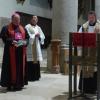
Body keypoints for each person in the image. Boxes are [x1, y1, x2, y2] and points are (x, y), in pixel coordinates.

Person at [0, 13, 29, 91]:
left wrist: (24, 42)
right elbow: (4, 37)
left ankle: (19, 84)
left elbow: (27, 38)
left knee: (20, 68)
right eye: (16, 19)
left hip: (20, 53)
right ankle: (10, 84)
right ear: (12, 19)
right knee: (9, 69)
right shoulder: (6, 28)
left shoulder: (23, 29)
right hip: (10, 53)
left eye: (18, 19)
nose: (17, 21)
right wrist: (13, 41)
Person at [78, 11, 100, 94]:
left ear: (95, 17)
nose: (90, 19)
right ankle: (83, 87)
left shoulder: (99, 26)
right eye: (89, 18)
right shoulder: (84, 27)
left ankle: (94, 88)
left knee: (95, 69)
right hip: (86, 51)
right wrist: (80, 48)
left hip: (96, 51)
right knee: (85, 68)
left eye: (92, 18)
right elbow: (79, 37)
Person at [25, 16, 45, 81]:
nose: (34, 20)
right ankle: (30, 77)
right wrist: (34, 35)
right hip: (30, 46)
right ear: (31, 20)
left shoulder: (38, 27)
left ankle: (36, 76)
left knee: (36, 62)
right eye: (33, 19)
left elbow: (43, 36)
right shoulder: (27, 27)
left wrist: (40, 36)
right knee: (30, 62)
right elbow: (27, 35)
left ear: (37, 21)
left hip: (36, 46)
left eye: (36, 19)